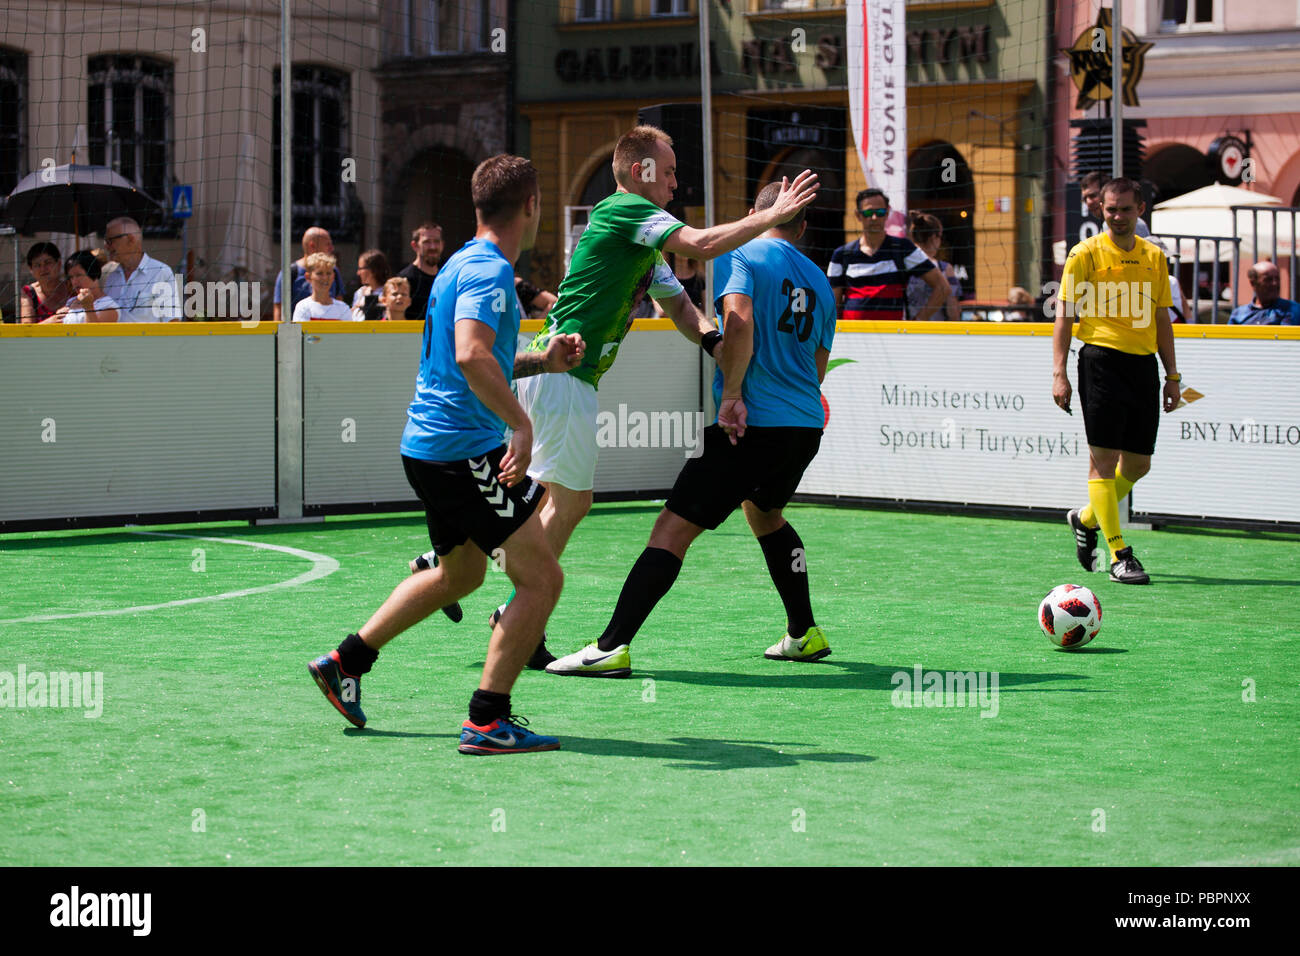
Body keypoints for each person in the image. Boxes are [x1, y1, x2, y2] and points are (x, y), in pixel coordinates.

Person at [436, 124, 817, 669]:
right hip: (563, 374)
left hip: (564, 378)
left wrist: (718, 346)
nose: (674, 183)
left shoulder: (643, 241)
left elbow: (681, 308)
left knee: (551, 499)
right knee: (566, 503)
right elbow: (703, 244)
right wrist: (768, 218)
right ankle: (503, 600)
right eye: (668, 172)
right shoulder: (624, 212)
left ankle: (457, 561)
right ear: (640, 173)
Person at [307, 154, 586, 754]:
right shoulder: (487, 272)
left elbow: (478, 360)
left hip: (430, 447)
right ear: (531, 207)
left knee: (463, 573)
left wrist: (545, 360)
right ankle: (488, 719)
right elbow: (468, 356)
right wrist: (521, 425)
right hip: (462, 450)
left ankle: (346, 662)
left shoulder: (462, 262)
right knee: (541, 578)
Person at [546, 181, 836, 676]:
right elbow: (818, 364)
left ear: (754, 215)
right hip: (804, 424)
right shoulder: (821, 280)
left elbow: (738, 325)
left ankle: (611, 646)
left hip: (751, 423)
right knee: (766, 514)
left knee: (671, 530)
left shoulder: (742, 253)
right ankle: (803, 633)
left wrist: (733, 394)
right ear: (802, 225)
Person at [1055, 177, 1179, 586]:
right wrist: (1059, 372)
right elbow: (1065, 315)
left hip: (1144, 367)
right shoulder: (1084, 253)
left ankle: (1087, 517)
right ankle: (1119, 554)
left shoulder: (1154, 257)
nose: (1118, 216)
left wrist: (1172, 376)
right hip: (1099, 362)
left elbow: (1163, 319)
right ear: (1100, 210)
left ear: (1140, 209)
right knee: (1103, 463)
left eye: (1126, 209)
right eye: (1111, 209)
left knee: (1139, 464)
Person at [829, 189, 946, 320]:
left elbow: (942, 287)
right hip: (853, 336)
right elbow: (832, 305)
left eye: (880, 212)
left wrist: (916, 322)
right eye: (868, 212)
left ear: (887, 213)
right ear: (858, 215)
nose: (874, 218)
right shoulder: (841, 255)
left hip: (893, 336)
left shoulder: (903, 248)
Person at [99, 217, 179, 321]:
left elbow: (172, 321)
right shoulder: (110, 275)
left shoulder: (160, 272)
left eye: (110, 241)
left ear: (130, 239)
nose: (106, 247)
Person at [272, 227, 345, 322]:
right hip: (298, 333)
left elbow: (339, 301)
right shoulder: (289, 273)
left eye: (328, 274)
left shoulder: (334, 270)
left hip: (329, 332)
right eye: (328, 244)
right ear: (312, 246)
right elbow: (278, 309)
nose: (332, 248)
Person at [906, 211, 960, 321]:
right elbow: (953, 313)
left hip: (904, 330)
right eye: (940, 237)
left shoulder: (902, 265)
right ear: (934, 237)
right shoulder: (944, 269)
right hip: (936, 332)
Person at [41, 251, 120, 324]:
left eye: (79, 275)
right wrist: (50, 321)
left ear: (93, 273)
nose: (74, 282)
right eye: (71, 277)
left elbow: (94, 335)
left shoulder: (108, 306)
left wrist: (88, 307)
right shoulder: (71, 302)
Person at [1080, 171, 1151, 238]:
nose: (1088, 202)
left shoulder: (1132, 224)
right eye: (1085, 199)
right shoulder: (1108, 224)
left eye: (1093, 196)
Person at [1228, 260, 1300, 325]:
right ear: (1253, 283)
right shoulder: (1239, 314)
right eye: (1268, 279)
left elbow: (1286, 337)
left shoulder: (1292, 309)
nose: (1275, 283)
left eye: (1277, 279)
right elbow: (1230, 338)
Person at [398, 222, 445, 321]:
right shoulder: (405, 279)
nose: (433, 247)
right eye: (427, 242)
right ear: (415, 246)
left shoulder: (448, 277)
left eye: (436, 241)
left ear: (442, 245)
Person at [291, 253, 354, 321]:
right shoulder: (303, 307)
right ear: (308, 277)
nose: (325, 278)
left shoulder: (343, 308)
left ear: (333, 276)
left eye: (328, 273)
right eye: (319, 273)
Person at [19, 242, 70, 323]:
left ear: (59, 264)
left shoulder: (71, 287)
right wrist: (50, 322)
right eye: (37, 265)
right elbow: (26, 329)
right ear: (31, 269)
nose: (43, 268)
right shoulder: (28, 293)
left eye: (48, 262)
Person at [351, 249, 392, 321]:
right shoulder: (359, 292)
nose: (358, 273)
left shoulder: (390, 292)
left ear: (373, 270)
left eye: (361, 269)